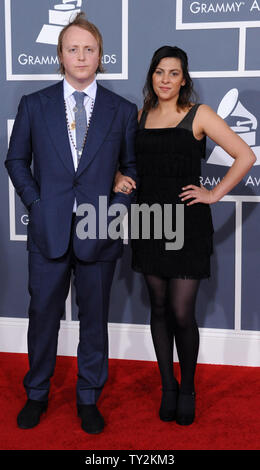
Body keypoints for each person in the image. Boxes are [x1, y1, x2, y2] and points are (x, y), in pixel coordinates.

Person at [5, 12, 137, 434]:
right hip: (48, 230)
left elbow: (131, 167)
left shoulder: (122, 110)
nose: (81, 56)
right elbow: (16, 160)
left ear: (101, 57)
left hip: (100, 230)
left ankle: (88, 397)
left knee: (94, 320)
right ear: (60, 56)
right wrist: (37, 202)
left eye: (89, 49)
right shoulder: (34, 104)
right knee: (42, 315)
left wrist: (117, 201)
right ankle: (37, 393)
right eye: (73, 48)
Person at [114, 45, 256, 425]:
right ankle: (168, 386)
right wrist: (119, 177)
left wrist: (212, 194)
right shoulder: (140, 116)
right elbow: (125, 163)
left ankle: (188, 386)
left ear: (184, 78)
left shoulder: (200, 115)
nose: (165, 79)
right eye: (159, 72)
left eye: (173, 73)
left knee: (181, 312)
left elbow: (246, 156)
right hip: (148, 222)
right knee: (158, 309)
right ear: (152, 76)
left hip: (186, 226)